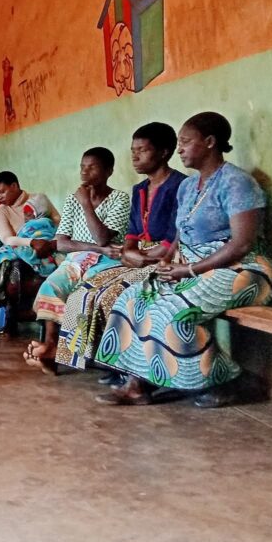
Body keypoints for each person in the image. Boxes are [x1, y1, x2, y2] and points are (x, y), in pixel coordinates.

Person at [95, 112, 272, 407]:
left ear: (210, 142)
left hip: (242, 269)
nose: (179, 149)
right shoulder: (188, 186)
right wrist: (168, 259)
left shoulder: (237, 183)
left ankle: (228, 381)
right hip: (192, 265)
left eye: (185, 142)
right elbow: (181, 232)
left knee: (171, 311)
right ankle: (138, 384)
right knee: (131, 299)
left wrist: (190, 269)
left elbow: (241, 244)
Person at [55, 123, 187, 373]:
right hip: (137, 257)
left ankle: (126, 368)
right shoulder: (140, 189)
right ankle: (79, 357)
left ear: (164, 152)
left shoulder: (181, 186)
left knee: (114, 296)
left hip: (167, 259)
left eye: (143, 150)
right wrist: (129, 252)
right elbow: (132, 233)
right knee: (83, 293)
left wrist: (142, 256)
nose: (135, 157)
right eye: (133, 151)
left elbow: (174, 238)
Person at [24, 148, 131, 372]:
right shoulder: (73, 200)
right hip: (78, 258)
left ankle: (67, 352)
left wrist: (86, 204)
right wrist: (95, 247)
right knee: (50, 287)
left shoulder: (119, 199)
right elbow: (61, 242)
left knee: (81, 296)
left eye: (92, 167)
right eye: (82, 167)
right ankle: (51, 346)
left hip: (108, 262)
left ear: (109, 171)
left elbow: (102, 237)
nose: (84, 172)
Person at [0, 172, 61, 319]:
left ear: (14, 186)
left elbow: (58, 222)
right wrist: (32, 242)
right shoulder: (1, 211)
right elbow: (7, 239)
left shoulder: (38, 200)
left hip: (49, 244)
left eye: (2, 192)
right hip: (22, 249)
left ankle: (53, 311)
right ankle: (14, 313)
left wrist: (51, 243)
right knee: (13, 267)